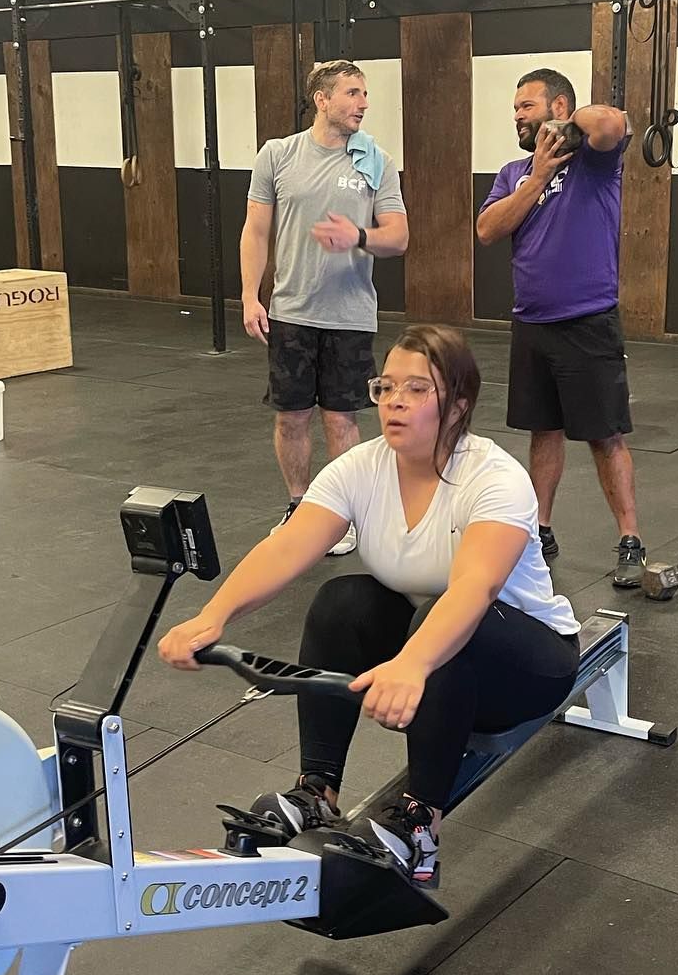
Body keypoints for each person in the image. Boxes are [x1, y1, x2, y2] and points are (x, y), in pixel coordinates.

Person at [159, 323, 580, 890]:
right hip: (431, 646)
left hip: (528, 663)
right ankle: (317, 790)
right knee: (342, 600)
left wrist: (412, 663)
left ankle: (422, 827)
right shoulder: (362, 466)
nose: (394, 403)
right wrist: (214, 615)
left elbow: (474, 588)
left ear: (457, 405)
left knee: (442, 619)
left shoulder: (494, 477)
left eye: (417, 389)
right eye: (386, 387)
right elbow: (287, 546)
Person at [476, 68, 645, 586]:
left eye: (526, 105)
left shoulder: (592, 163)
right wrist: (537, 176)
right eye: (515, 108)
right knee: (542, 432)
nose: (517, 115)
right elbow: (488, 229)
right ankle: (539, 529)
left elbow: (612, 122)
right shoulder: (515, 172)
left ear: (557, 106)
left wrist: (567, 131)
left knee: (604, 435)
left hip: (587, 322)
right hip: (532, 325)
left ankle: (630, 539)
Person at [239, 59, 409, 558]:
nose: (363, 103)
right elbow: (256, 230)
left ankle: (346, 514)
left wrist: (357, 236)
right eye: (353, 93)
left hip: (350, 315)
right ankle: (298, 507)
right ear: (323, 99)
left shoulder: (375, 160)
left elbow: (397, 238)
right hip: (291, 311)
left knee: (342, 420)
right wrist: (252, 294)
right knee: (291, 418)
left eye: (363, 93)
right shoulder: (277, 155)